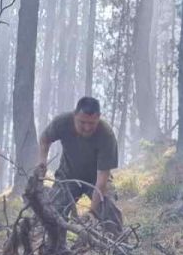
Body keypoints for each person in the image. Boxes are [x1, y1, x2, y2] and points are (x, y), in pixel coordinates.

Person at [37, 96, 122, 232]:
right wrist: (42, 161)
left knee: (109, 208)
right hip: (67, 176)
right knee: (54, 211)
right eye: (82, 122)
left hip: (95, 179)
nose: (87, 128)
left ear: (98, 118)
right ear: (74, 115)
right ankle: (54, 249)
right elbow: (44, 139)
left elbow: (101, 181)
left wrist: (92, 213)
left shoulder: (107, 135)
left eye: (92, 123)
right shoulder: (62, 122)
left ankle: (116, 248)